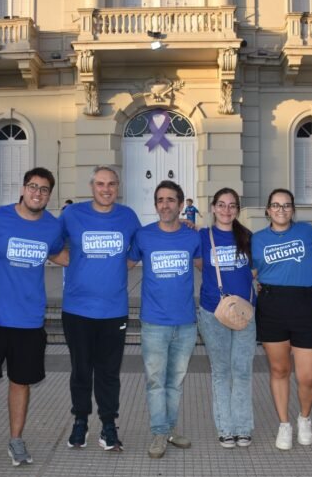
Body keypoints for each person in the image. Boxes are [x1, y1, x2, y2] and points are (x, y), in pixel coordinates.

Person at [0, 167, 64, 472]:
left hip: (29, 321)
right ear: (23, 189)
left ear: (49, 195)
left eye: (44, 189)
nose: (38, 193)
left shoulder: (52, 227)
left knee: (21, 383)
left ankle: (16, 440)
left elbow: (64, 256)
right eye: (33, 187)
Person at [61, 166, 141, 451]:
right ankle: (80, 421)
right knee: (81, 370)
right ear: (91, 186)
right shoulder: (72, 214)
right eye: (100, 184)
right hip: (77, 309)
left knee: (109, 372)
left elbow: (140, 248)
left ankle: (108, 424)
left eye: (111, 184)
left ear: (117, 187)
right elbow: (51, 242)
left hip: (114, 310)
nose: (106, 189)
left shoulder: (128, 217)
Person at [127, 180, 201, 458]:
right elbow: (125, 263)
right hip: (154, 323)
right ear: (155, 204)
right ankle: (159, 432)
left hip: (185, 323)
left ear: (181, 205)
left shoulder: (193, 237)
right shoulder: (144, 236)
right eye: (160, 200)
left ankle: (170, 429)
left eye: (171, 200)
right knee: (156, 381)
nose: (165, 205)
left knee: (176, 381)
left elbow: (209, 266)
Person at [252, 188, 312, 450]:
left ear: (293, 209)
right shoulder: (256, 239)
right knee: (280, 370)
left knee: (308, 377)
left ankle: (304, 417)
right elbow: (249, 271)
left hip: (305, 304)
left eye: (286, 205)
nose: (281, 210)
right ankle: (284, 424)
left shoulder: (307, 232)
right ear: (268, 210)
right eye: (276, 205)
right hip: (272, 305)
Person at [196, 188, 256, 449]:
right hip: (213, 312)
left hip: (244, 312)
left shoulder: (248, 237)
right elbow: (200, 264)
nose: (226, 210)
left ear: (238, 210)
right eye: (221, 204)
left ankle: (243, 428)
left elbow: (254, 270)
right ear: (213, 207)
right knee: (221, 372)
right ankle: (225, 428)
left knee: (242, 371)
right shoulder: (202, 237)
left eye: (232, 206)